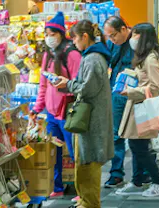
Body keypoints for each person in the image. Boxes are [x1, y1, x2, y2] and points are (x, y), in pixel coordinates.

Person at [49, 20, 114, 208]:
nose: (74, 43)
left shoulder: (93, 58)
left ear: (85, 37)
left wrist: (67, 84)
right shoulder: (94, 56)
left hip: (93, 121)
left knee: (89, 164)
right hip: (91, 119)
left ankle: (89, 204)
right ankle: (85, 202)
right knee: (84, 163)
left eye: (76, 38)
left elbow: (88, 88)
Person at [115, 23, 159, 197]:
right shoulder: (143, 56)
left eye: (136, 34)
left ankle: (157, 182)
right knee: (136, 145)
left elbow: (154, 86)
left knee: (140, 146)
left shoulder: (151, 58)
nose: (132, 38)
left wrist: (130, 91)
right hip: (137, 106)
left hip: (144, 107)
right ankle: (137, 180)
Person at [34, 12, 81, 198]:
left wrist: (67, 90)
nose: (48, 37)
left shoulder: (72, 54)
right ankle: (57, 187)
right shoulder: (47, 55)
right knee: (54, 152)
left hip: (68, 110)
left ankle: (80, 188)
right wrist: (37, 108)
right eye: (46, 33)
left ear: (61, 34)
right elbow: (43, 85)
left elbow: (79, 83)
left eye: (52, 33)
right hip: (51, 112)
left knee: (74, 151)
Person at [102, 16, 140, 189]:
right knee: (116, 134)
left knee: (138, 135)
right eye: (109, 36)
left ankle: (142, 173)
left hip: (135, 94)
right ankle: (116, 174)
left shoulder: (138, 42)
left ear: (124, 29)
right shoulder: (111, 45)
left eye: (114, 35)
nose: (112, 39)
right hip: (116, 94)